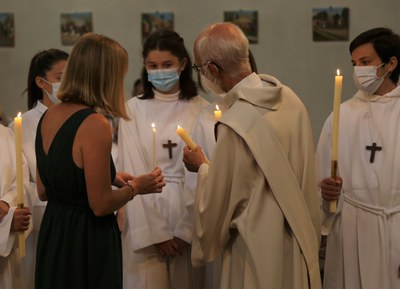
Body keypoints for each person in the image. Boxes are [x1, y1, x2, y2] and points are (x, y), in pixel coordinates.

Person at [183, 22, 321, 289]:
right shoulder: (291, 100)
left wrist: (201, 168)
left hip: (254, 253)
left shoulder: (235, 124)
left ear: (212, 69)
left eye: (200, 69)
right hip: (299, 240)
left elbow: (219, 204)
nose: (202, 75)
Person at [34, 32, 165, 289]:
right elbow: (101, 205)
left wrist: (111, 177)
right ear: (106, 77)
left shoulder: (48, 115)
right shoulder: (95, 123)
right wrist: (136, 187)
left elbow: (44, 190)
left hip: (55, 234)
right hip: (86, 241)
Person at [118, 29, 209, 289]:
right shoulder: (131, 109)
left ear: (182, 65)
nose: (160, 71)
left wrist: (186, 231)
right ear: (145, 68)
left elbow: (203, 171)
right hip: (143, 212)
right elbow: (133, 170)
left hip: (189, 208)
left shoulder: (202, 108)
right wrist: (155, 234)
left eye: (167, 65)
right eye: (152, 66)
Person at [316, 27, 400, 289]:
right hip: (350, 230)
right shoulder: (342, 116)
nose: (358, 70)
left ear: (391, 64)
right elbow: (320, 175)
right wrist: (325, 192)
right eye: (355, 63)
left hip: (395, 226)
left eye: (365, 62)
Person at [8, 48, 69, 289]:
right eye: (60, 77)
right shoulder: (23, 124)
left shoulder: (82, 116)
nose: (67, 83)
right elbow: (18, 178)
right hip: (40, 217)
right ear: (41, 82)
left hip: (76, 214)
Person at [0, 124, 31, 289]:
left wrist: (7, 204)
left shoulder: (6, 135)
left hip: (7, 264)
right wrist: (6, 223)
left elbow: (22, 182)